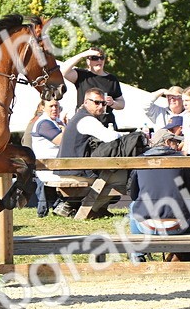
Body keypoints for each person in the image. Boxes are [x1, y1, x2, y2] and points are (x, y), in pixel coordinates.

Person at [56, 88, 148, 217]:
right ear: (86, 102)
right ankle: (92, 209)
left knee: (112, 172)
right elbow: (111, 137)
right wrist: (133, 135)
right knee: (122, 177)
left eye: (104, 103)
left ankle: (87, 207)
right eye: (96, 102)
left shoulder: (81, 117)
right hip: (74, 171)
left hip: (69, 168)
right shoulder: (86, 120)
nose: (101, 106)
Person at [128, 129, 190, 236]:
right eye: (175, 142)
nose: (178, 145)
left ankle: (137, 252)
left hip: (146, 226)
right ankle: (186, 250)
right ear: (167, 142)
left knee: (133, 205)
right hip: (178, 226)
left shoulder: (140, 161)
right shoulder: (181, 161)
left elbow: (133, 194)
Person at [61, 48, 125, 117]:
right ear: (88, 61)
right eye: (95, 58)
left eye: (102, 57)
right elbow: (63, 71)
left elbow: (121, 103)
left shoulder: (112, 79)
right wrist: (82, 55)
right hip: (85, 121)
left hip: (106, 123)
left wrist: (113, 103)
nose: (99, 60)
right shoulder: (82, 75)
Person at [29, 98, 65, 217]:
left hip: (58, 166)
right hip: (48, 168)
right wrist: (66, 129)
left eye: (57, 106)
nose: (55, 109)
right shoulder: (44, 123)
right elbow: (62, 141)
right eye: (51, 106)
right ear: (43, 108)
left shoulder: (56, 121)